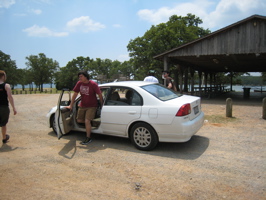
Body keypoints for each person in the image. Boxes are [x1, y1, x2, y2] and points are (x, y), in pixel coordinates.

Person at [68, 71, 103, 145]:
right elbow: (75, 94)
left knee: (87, 121)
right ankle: (91, 124)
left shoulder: (93, 84)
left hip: (92, 106)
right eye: (79, 77)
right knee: (79, 120)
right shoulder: (79, 83)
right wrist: (71, 105)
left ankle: (88, 138)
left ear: (86, 77)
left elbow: (99, 94)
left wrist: (102, 105)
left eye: (81, 76)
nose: (79, 78)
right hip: (82, 105)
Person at [0, 70, 17, 143]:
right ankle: (4, 138)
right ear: (3, 76)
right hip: (4, 107)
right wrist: (14, 108)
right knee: (3, 124)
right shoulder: (6, 85)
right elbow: (10, 97)